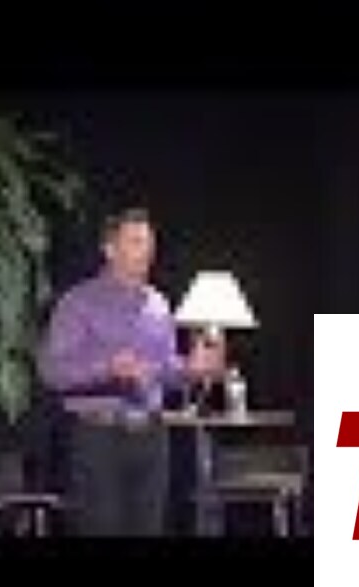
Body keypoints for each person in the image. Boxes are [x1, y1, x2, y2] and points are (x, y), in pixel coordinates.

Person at [38, 207, 226, 536]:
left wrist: (190, 368)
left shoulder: (158, 304)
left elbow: (164, 369)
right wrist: (106, 368)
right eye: (136, 242)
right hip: (100, 438)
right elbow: (53, 370)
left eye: (150, 243)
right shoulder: (78, 302)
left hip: (152, 437)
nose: (147, 251)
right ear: (110, 249)